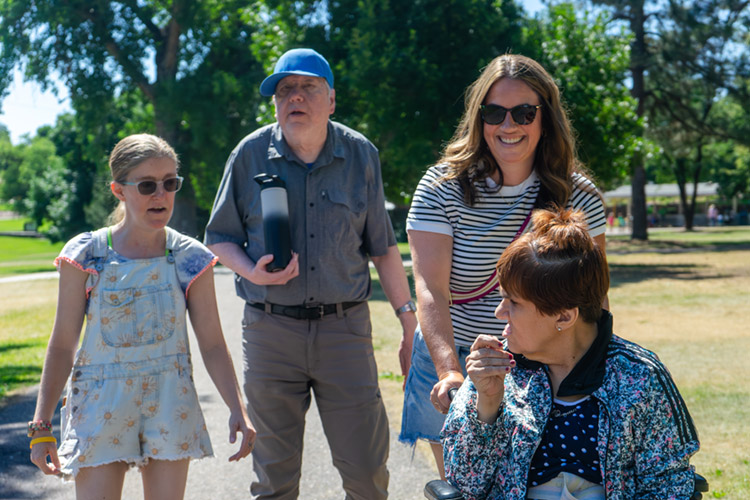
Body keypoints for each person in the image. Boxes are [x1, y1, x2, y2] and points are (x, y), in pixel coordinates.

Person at [204, 48, 417, 500]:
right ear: (276, 102)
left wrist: (408, 321)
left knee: (366, 473)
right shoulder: (249, 154)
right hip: (270, 332)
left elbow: (382, 246)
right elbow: (219, 237)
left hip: (345, 332)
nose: (295, 97)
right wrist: (252, 273)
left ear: (332, 100)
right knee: (274, 480)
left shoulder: (361, 155)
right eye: (285, 90)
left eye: (308, 88)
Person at [399, 54, 607, 475]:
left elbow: (593, 294)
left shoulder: (577, 192)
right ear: (479, 119)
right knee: (463, 482)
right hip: (454, 354)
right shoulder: (442, 188)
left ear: (545, 118)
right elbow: (430, 288)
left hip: (542, 360)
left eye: (524, 112)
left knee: (536, 480)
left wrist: (596, 365)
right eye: (494, 112)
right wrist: (449, 372)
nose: (508, 125)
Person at [28, 134, 255, 499]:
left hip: (170, 400)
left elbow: (212, 343)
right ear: (119, 190)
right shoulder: (87, 255)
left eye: (170, 183)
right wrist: (41, 425)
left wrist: (237, 408)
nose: (161, 194)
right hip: (100, 404)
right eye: (147, 185)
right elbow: (62, 345)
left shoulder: (189, 257)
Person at [442, 208, 700, 498]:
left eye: (512, 302)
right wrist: (488, 405)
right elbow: (463, 485)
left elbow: (668, 485)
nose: (499, 313)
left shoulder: (640, 377)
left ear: (564, 317)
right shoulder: (495, 370)